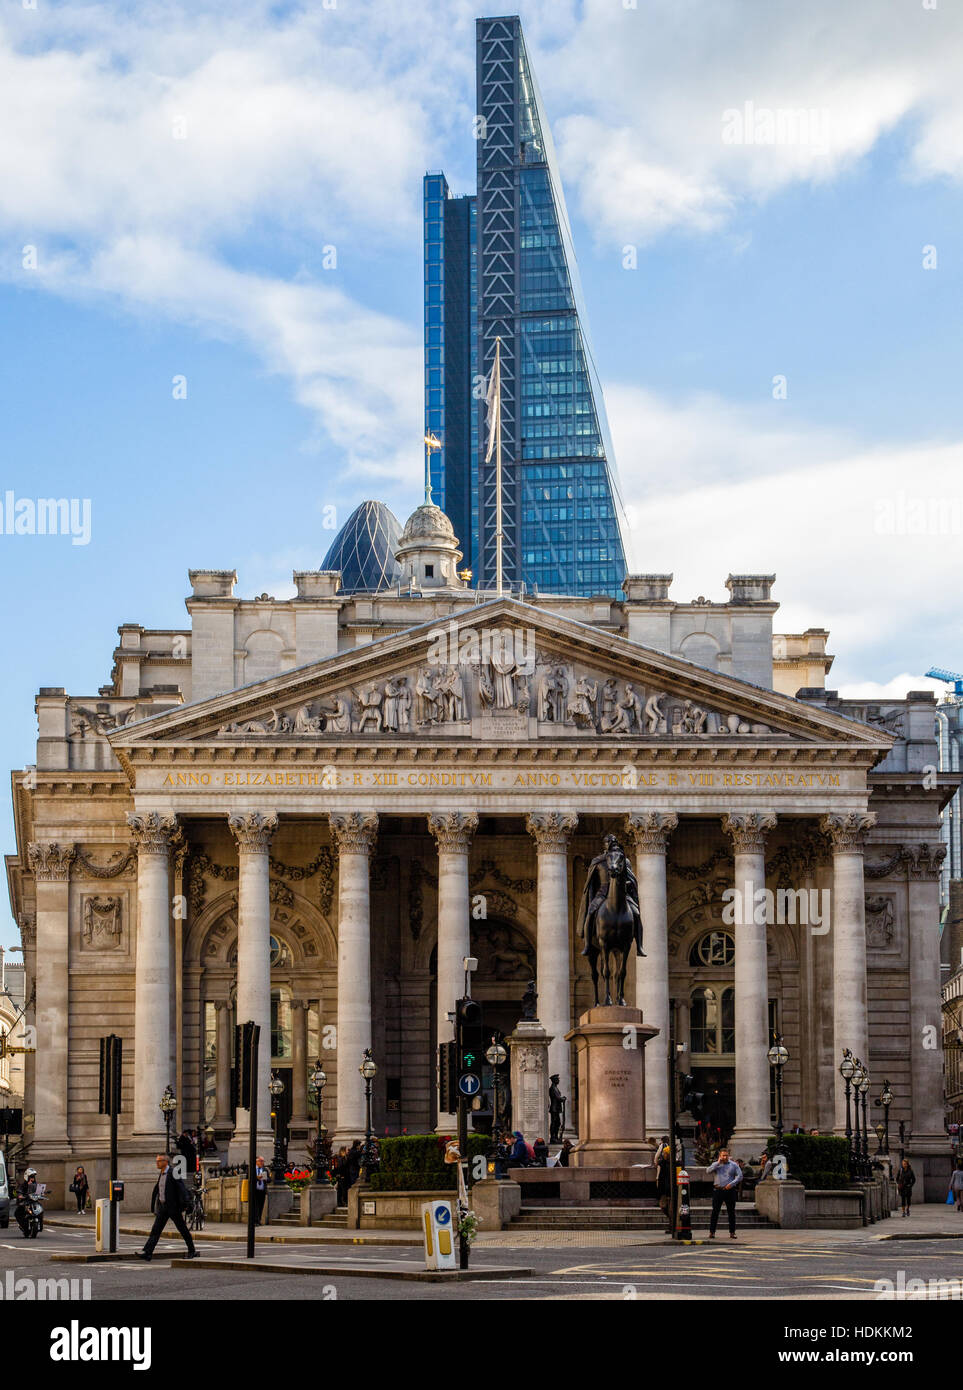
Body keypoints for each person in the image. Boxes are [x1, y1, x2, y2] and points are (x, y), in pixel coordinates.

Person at [137, 1154, 198, 1261]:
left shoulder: (173, 1173)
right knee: (155, 1230)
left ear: (166, 1161)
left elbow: (181, 1188)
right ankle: (148, 1253)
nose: (157, 1163)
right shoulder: (161, 1173)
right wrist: (155, 1206)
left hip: (173, 1208)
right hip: (163, 1207)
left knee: (182, 1229)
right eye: (157, 1161)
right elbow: (159, 1190)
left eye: (159, 1161)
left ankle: (192, 1251)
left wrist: (186, 1204)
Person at [706, 1148, 743, 1239]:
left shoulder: (734, 1165)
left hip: (729, 1190)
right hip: (718, 1190)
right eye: (723, 1155)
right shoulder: (716, 1165)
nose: (725, 1157)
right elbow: (708, 1171)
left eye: (726, 1155)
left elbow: (740, 1176)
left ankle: (732, 1232)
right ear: (720, 1156)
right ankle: (712, 1232)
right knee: (715, 1211)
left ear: (729, 1155)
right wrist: (718, 1163)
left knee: (731, 1212)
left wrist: (732, 1184)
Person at [14, 1168, 39, 1236]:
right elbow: (19, 1191)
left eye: (33, 1177)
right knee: (17, 1212)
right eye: (31, 1177)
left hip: (34, 1202)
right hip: (25, 1202)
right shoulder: (22, 1185)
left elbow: (39, 1191)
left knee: (41, 1208)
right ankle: (24, 1228)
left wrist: (43, 1193)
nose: (32, 1179)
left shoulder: (36, 1185)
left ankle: (40, 1223)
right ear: (27, 1177)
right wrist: (20, 1195)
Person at [655, 1136, 672, 1214]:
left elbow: (656, 1156)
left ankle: (666, 1209)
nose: (664, 1154)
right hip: (668, 1185)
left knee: (664, 1200)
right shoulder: (672, 1163)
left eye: (665, 1153)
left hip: (664, 1185)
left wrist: (656, 1162)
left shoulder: (661, 1163)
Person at [253, 1156, 269, 1225]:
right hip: (254, 1191)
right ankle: (255, 1221)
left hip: (262, 1190)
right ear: (257, 1162)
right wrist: (257, 1178)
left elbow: (270, 1179)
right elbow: (248, 1178)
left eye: (263, 1161)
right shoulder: (252, 1169)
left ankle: (258, 1220)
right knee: (255, 1206)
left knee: (261, 1206)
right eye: (261, 1161)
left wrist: (266, 1179)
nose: (262, 1163)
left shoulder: (265, 1169)